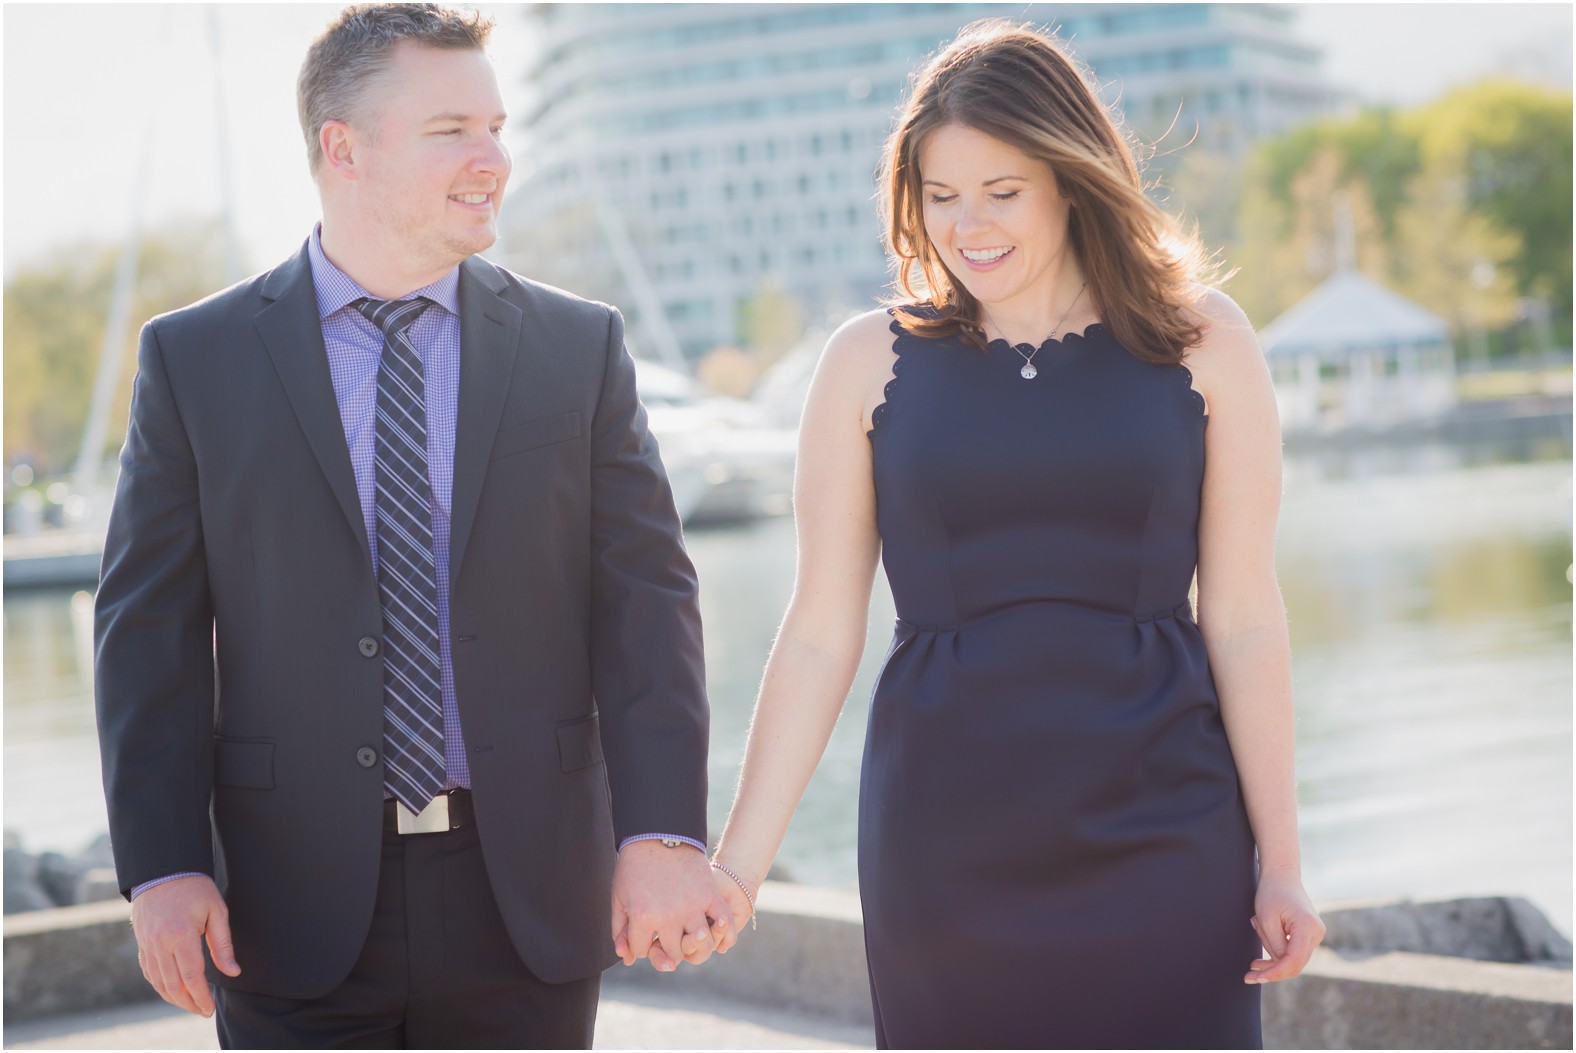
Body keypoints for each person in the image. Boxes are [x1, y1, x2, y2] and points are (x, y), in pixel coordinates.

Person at [93, 4, 728, 1047]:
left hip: (524, 893)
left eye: (496, 125)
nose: (494, 159)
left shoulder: (578, 347)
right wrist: (162, 866)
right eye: (452, 132)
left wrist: (662, 831)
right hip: (283, 900)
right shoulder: (194, 361)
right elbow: (148, 635)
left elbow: (649, 608)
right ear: (343, 149)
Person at [706, 20, 1324, 1049]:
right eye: (940, 198)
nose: (968, 227)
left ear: (1073, 180)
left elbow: (1246, 618)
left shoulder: (1204, 341)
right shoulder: (866, 362)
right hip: (945, 840)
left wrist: (1282, 859)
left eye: (1002, 193)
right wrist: (739, 867)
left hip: (1166, 822)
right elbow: (818, 629)